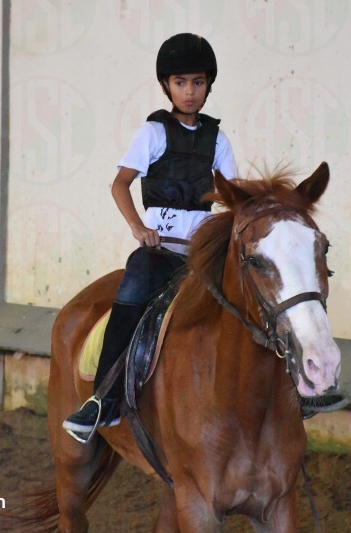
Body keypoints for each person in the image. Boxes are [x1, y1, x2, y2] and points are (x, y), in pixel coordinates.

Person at [62, 33, 238, 442]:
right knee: (132, 293)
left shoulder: (218, 140)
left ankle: (298, 389)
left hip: (201, 254)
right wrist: (139, 228)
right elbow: (120, 185)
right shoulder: (153, 133)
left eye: (197, 82)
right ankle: (102, 401)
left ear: (209, 86)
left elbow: (231, 195)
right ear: (166, 86)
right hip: (160, 251)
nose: (189, 91)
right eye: (180, 82)